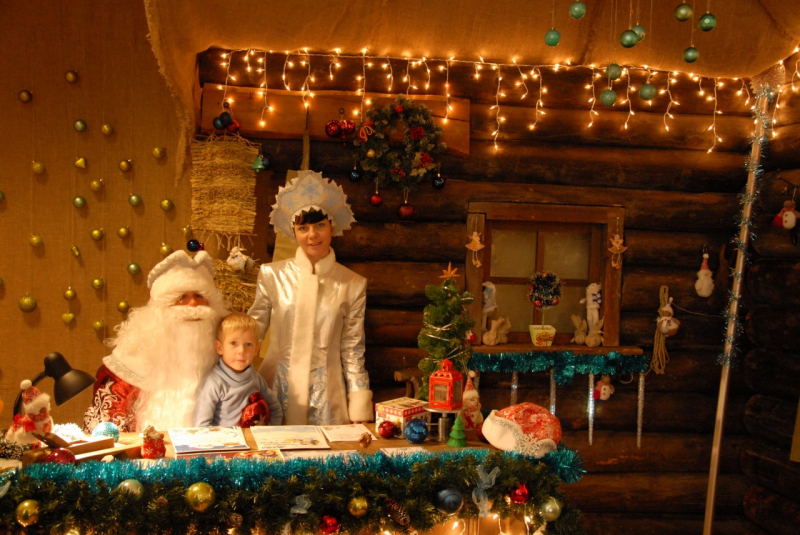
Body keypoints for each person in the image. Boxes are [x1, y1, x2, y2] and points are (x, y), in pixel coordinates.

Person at [248, 170, 373, 425]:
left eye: (319, 226)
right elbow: (251, 333)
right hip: (276, 391)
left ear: (331, 227)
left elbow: (352, 349)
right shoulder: (272, 275)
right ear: (293, 231)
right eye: (303, 228)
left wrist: (358, 401)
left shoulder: (352, 284)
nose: (312, 235)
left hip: (327, 396)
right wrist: (233, 381)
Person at [83, 250, 227, 433]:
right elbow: (108, 429)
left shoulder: (228, 350)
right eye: (181, 297)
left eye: (199, 296)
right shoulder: (128, 361)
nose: (192, 305)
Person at [193, 313, 283, 427]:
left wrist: (269, 432)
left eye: (248, 344)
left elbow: (276, 409)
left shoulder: (257, 380)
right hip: (224, 438)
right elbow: (201, 425)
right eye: (233, 343)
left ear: (256, 350)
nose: (241, 350)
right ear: (220, 347)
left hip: (253, 437)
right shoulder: (214, 383)